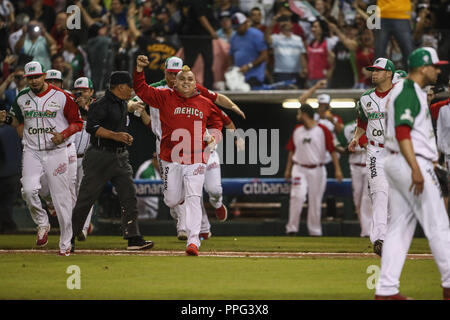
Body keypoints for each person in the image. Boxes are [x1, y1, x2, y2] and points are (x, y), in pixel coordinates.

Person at [129, 56, 245, 240]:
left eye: (180, 75)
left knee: (205, 190)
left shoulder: (198, 93)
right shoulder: (161, 92)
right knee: (176, 196)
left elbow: (219, 113)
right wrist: (135, 106)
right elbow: (137, 97)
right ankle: (190, 226)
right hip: (167, 147)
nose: (176, 79)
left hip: (201, 147)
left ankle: (197, 227)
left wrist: (233, 119)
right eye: (172, 74)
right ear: (165, 73)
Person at [375, 47, 450, 300]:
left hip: (400, 162)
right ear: (422, 67)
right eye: (434, 65)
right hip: (411, 163)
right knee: (438, 223)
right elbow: (402, 132)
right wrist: (417, 169)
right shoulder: (408, 91)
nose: (438, 70)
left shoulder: (412, 91)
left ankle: (386, 290)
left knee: (399, 227)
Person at [0, 61, 83, 256]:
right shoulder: (21, 98)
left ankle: (65, 244)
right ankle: (42, 222)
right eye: (30, 78)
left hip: (57, 151)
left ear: (44, 76)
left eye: (37, 76)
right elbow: (17, 121)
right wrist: (6, 119)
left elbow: (77, 122)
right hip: (32, 151)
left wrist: (63, 134)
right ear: (27, 79)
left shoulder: (62, 96)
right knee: (28, 190)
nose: (34, 81)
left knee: (61, 199)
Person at [71, 71, 154, 252]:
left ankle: (132, 237)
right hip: (99, 156)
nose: (131, 90)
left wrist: (124, 138)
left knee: (129, 196)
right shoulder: (101, 104)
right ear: (120, 86)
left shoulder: (122, 103)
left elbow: (123, 120)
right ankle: (69, 237)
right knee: (86, 198)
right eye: (129, 86)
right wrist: (116, 136)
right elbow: (92, 128)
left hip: (120, 156)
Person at [348, 58, 395, 256]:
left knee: (396, 199)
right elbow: (362, 121)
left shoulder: (400, 94)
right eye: (372, 70)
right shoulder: (366, 98)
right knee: (379, 192)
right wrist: (356, 137)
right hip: (375, 150)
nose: (373, 73)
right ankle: (379, 239)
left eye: (378, 70)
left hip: (399, 151)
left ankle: (392, 238)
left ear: (389, 73)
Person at [284, 104, 343, 236]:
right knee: (297, 196)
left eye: (299, 113)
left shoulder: (322, 130)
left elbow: (332, 151)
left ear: (305, 114)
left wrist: (338, 170)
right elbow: (291, 150)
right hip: (299, 168)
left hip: (318, 169)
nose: (297, 116)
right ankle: (291, 229)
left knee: (315, 200)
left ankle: (315, 231)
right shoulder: (297, 129)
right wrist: (288, 169)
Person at [72, 76, 96, 240]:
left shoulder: (97, 106)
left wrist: (85, 109)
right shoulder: (70, 106)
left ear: (91, 91)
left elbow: (97, 122)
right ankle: (74, 226)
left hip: (89, 156)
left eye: (85, 90)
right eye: (78, 91)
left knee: (86, 193)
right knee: (70, 195)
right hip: (70, 157)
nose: (81, 94)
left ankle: (83, 227)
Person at [179, 0, 217, 89]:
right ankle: (180, 84)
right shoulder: (198, 2)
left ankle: (208, 87)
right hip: (194, 37)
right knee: (189, 63)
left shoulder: (208, 3)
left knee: (208, 62)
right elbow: (201, 18)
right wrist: (212, 32)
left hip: (205, 37)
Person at [342, 120, 371, 237]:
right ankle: (364, 227)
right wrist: (347, 148)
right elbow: (339, 146)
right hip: (355, 166)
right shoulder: (348, 127)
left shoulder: (373, 123)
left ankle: (367, 231)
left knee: (366, 198)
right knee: (357, 198)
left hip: (369, 164)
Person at [265, 14, 307, 87]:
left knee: (296, 96)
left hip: (296, 73)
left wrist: (304, 68)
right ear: (279, 26)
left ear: (291, 24)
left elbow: (302, 55)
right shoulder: (276, 38)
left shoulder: (298, 39)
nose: (285, 23)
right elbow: (266, 38)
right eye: (282, 22)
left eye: (287, 21)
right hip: (281, 73)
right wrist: (272, 23)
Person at [229, 12, 268, 89]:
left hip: (254, 76)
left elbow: (264, 55)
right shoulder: (234, 37)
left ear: (246, 23)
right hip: (239, 77)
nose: (237, 29)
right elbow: (231, 55)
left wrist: (249, 66)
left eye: (239, 27)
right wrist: (231, 69)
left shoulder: (256, 35)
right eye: (235, 28)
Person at [374, 0, 413, 70]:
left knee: (409, 53)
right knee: (379, 53)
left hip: (402, 14)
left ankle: (412, 79)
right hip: (382, 14)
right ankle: (378, 79)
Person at [135, 153, 161, 220]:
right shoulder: (147, 172)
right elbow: (155, 204)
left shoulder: (166, 168)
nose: (160, 161)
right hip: (144, 216)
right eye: (157, 159)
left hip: (155, 214)